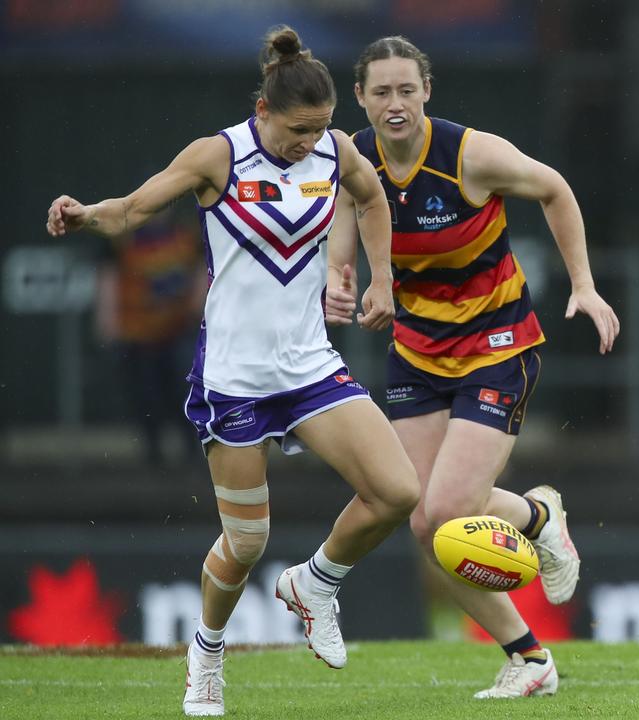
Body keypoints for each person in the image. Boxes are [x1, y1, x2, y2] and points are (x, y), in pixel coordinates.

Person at [46, 26, 421, 717]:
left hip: (309, 367)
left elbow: (370, 198)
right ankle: (207, 656)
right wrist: (84, 213)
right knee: (248, 542)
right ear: (264, 111)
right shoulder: (218, 155)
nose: (310, 142)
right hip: (236, 380)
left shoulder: (337, 151)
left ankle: (317, 583)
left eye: (321, 129)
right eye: (299, 130)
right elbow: (132, 209)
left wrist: (381, 280)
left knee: (398, 492)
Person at [323, 35, 619, 699]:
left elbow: (555, 188)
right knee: (425, 524)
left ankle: (540, 525)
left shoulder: (470, 155)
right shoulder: (354, 158)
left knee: (451, 511)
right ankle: (530, 655)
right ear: (361, 98)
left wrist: (584, 286)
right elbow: (344, 229)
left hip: (498, 346)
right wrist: (344, 283)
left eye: (406, 89)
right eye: (381, 92)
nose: (394, 103)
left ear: (427, 91)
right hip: (417, 354)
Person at [94, 205, 206, 465]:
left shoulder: (186, 234)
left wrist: (199, 309)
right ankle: (153, 458)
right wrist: (107, 320)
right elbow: (107, 277)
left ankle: (192, 454)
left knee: (184, 392)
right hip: (138, 335)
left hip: (178, 330)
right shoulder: (123, 239)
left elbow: (203, 270)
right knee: (145, 397)